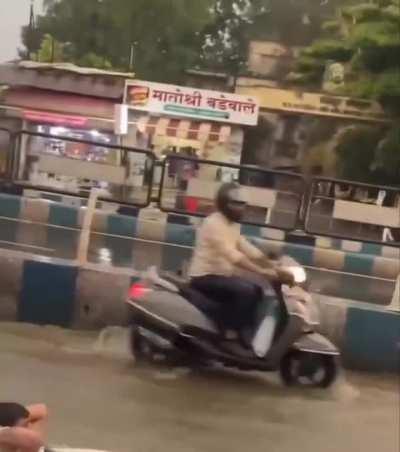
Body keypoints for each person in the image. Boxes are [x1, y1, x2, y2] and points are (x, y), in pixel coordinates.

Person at [189, 182, 293, 350]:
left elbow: (245, 247)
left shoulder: (233, 224)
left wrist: (273, 265)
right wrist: (262, 272)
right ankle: (230, 332)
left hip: (222, 276)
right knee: (247, 292)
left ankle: (243, 329)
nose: (240, 208)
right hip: (204, 276)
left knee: (257, 290)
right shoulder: (213, 224)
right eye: (236, 204)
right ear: (224, 204)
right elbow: (233, 255)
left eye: (242, 204)